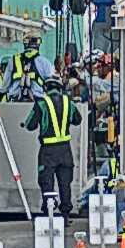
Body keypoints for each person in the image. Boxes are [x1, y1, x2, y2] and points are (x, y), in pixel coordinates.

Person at [24, 75, 82, 213]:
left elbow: (29, 125)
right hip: (65, 151)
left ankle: (48, 211)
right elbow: (77, 120)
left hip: (48, 151)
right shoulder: (69, 102)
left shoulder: (42, 103)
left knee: (46, 182)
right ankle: (66, 214)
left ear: (46, 88)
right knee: (65, 183)